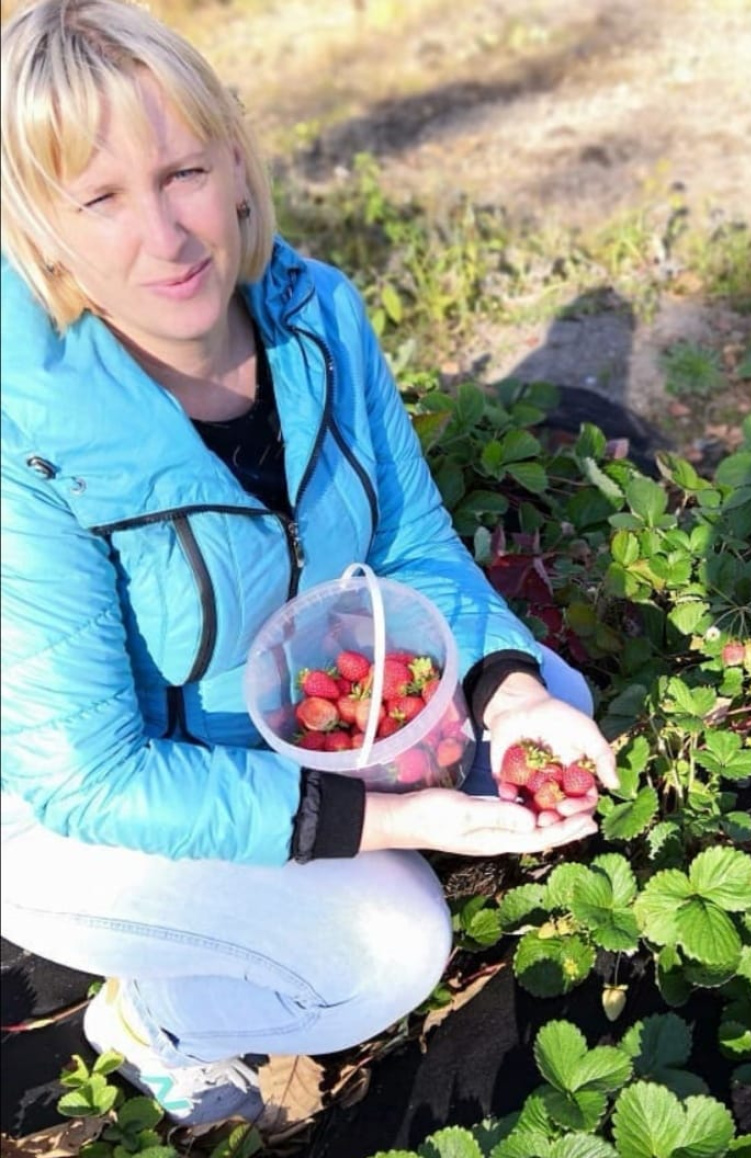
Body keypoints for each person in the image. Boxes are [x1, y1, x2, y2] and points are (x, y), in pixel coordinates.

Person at [0, 0, 618, 1128]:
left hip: (269, 716)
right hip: (57, 805)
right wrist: (379, 822)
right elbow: (90, 776)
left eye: (183, 170)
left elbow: (409, 546)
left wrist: (509, 690)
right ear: (40, 229)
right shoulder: (21, 430)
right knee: (385, 947)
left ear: (236, 158)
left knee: (554, 704)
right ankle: (154, 1020)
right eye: (99, 197)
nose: (167, 234)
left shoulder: (315, 315)